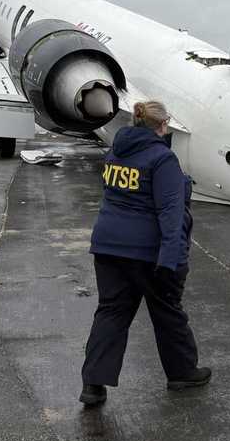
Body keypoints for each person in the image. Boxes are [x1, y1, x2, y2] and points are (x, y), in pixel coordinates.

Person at [79, 100, 209, 407]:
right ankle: (182, 371)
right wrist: (171, 260)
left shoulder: (115, 152)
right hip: (146, 253)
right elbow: (170, 213)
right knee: (167, 311)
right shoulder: (162, 160)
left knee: (111, 312)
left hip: (108, 247)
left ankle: (93, 385)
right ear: (162, 126)